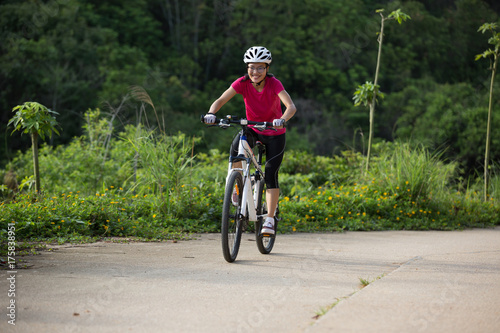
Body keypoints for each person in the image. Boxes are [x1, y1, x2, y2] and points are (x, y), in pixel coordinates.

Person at [203, 46, 297, 235]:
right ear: (247, 68)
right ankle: (237, 187)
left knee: (270, 174)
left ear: (267, 69)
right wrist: (211, 113)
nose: (255, 72)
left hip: (274, 133)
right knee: (236, 149)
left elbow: (291, 106)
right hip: (253, 129)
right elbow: (221, 99)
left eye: (260, 68)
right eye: (252, 67)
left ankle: (269, 219)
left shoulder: (274, 83)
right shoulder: (242, 83)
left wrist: (282, 120)